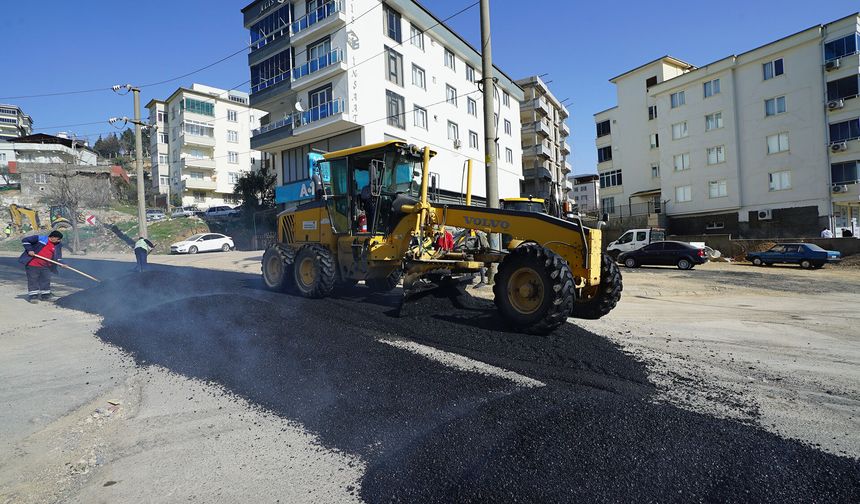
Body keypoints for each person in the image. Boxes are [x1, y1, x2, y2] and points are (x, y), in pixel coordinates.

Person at [19, 231, 65, 303]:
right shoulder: (40, 239)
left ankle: (45, 295)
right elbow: (25, 240)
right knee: (33, 280)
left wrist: (62, 263)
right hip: (33, 264)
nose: (59, 241)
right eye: (58, 239)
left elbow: (58, 257)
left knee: (46, 279)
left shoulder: (58, 245)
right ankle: (33, 296)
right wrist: (30, 250)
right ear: (53, 237)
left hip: (46, 266)